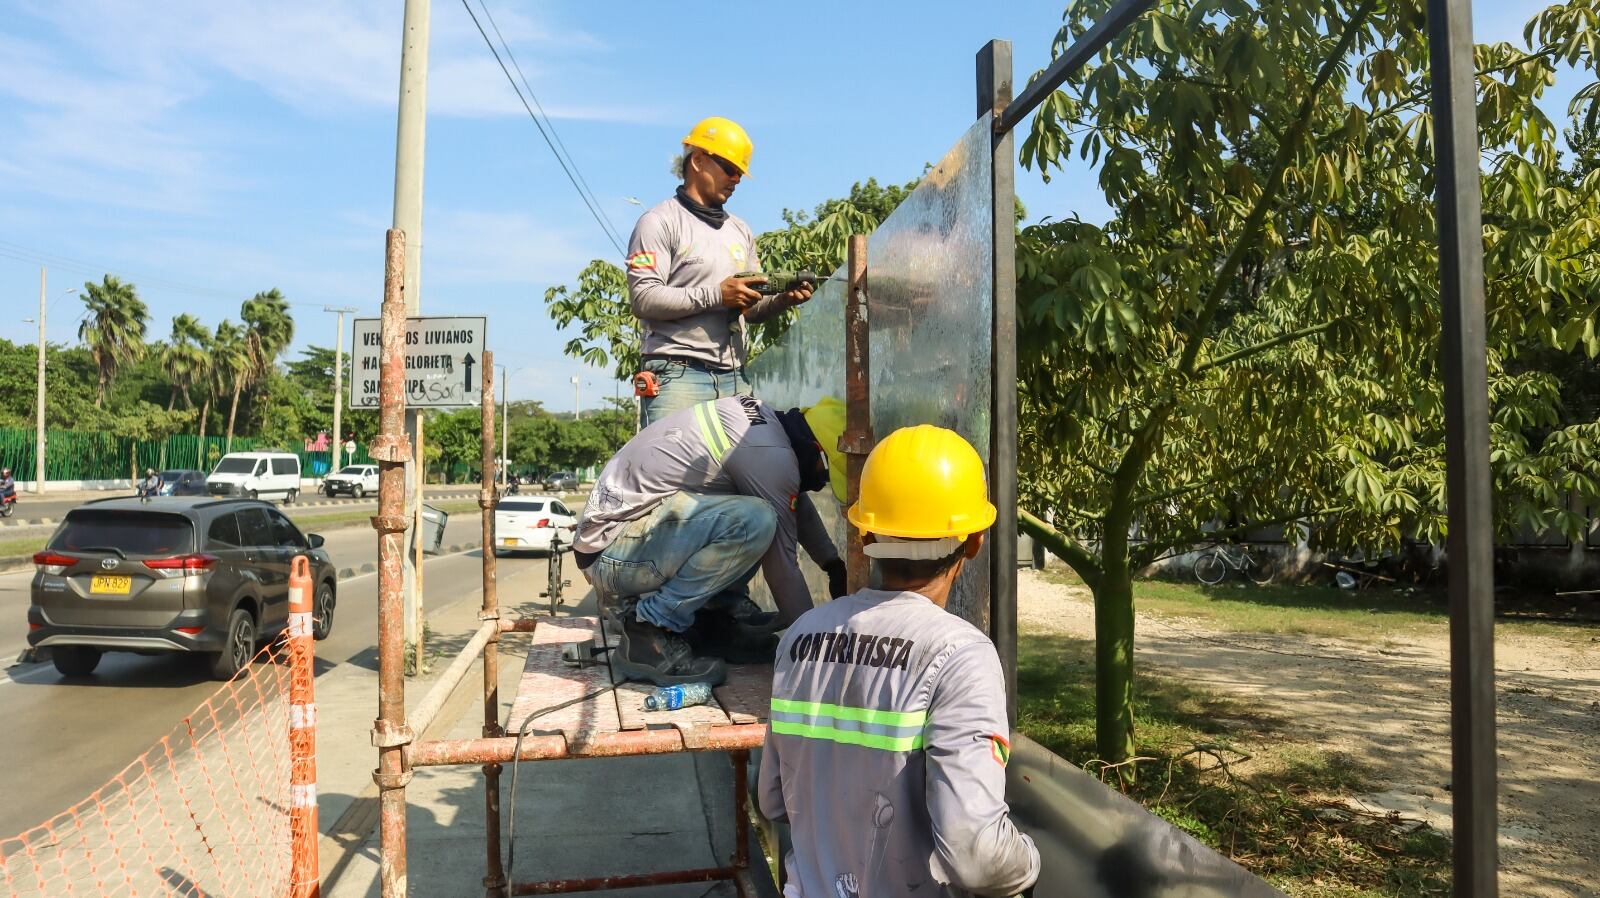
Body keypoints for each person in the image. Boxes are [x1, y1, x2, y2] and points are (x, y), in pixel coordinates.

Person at [758, 425, 1040, 897]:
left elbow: (771, 800)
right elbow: (977, 857)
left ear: (866, 532)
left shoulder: (801, 637)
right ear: (972, 543)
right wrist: (1027, 861)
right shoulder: (959, 657)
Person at [574, 395, 847, 686]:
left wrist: (832, 563)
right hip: (612, 553)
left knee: (763, 511)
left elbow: (794, 503)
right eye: (826, 475)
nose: (823, 483)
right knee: (755, 520)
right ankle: (649, 630)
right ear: (816, 452)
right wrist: (817, 651)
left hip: (620, 540)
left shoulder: (764, 427)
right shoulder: (770, 454)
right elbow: (782, 569)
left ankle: (715, 622)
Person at [627, 116, 816, 427]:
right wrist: (717, 295)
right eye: (730, 169)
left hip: (733, 376)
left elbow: (749, 312)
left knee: (749, 466)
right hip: (677, 375)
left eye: (740, 173)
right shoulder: (658, 222)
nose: (737, 179)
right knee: (673, 473)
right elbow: (644, 298)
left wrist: (783, 300)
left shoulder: (740, 230)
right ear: (699, 161)